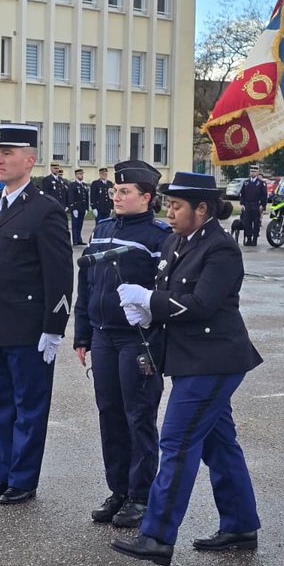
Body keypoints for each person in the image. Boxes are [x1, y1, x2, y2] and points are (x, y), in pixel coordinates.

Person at [110, 172, 262, 566]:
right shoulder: (176, 240)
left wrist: (150, 300)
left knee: (176, 443)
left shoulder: (221, 249)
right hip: (190, 357)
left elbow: (199, 305)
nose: (170, 211)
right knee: (218, 443)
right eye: (169, 204)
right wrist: (144, 312)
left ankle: (158, 536)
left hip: (214, 360)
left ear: (203, 209)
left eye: (177, 206)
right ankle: (241, 524)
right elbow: (172, 296)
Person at [0, 124, 73, 505]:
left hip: (27, 327)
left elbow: (60, 274)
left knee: (28, 407)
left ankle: (23, 479)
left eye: (9, 153)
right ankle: (1, 475)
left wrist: (54, 328)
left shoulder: (46, 210)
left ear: (30, 160)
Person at [73, 160, 171, 529]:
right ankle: (118, 489)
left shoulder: (159, 237)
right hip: (102, 335)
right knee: (109, 413)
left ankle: (141, 495)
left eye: (125, 191)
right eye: (116, 189)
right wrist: (82, 332)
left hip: (138, 340)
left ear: (146, 197)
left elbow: (165, 292)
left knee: (138, 415)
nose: (116, 195)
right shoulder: (102, 228)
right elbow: (88, 283)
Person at [238, 164, 268, 247]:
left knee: (256, 223)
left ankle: (254, 239)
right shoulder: (246, 182)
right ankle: (248, 238)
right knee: (247, 223)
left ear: (257, 172)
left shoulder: (261, 183)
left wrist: (262, 205)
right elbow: (242, 194)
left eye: (254, 171)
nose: (252, 173)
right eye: (251, 171)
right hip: (247, 205)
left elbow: (264, 195)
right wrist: (242, 204)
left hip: (256, 205)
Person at [67, 167, 91, 246]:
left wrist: (87, 208)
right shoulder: (73, 185)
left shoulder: (84, 185)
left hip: (82, 208)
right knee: (75, 225)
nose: (81, 175)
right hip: (76, 208)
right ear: (76, 175)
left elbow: (86, 198)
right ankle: (75, 240)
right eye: (80, 174)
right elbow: (71, 197)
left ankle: (79, 239)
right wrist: (73, 208)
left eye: (82, 174)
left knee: (80, 225)